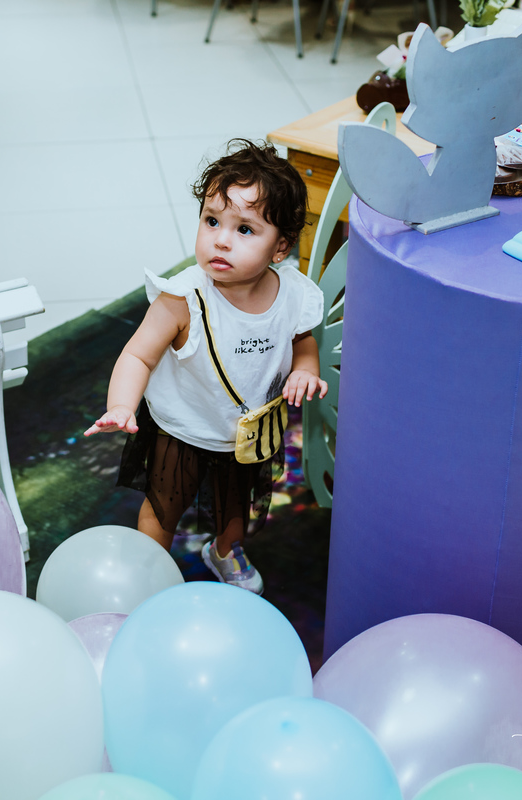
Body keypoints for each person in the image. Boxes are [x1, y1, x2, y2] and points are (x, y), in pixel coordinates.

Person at [84, 139, 327, 595]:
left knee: (236, 508)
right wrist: (121, 405)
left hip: (244, 435)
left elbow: (302, 341)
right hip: (183, 429)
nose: (220, 238)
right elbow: (138, 354)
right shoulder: (184, 298)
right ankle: (147, 575)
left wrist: (305, 369)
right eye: (212, 220)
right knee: (162, 508)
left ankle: (223, 550)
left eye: (245, 230)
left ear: (281, 248)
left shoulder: (293, 294)